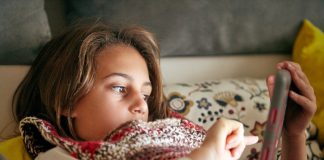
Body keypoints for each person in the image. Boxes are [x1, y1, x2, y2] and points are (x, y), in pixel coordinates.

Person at [2, 22, 317, 160]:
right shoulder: (58, 156)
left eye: (146, 92)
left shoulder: (168, 140)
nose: (141, 105)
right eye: (120, 87)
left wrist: (291, 136)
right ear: (66, 99)